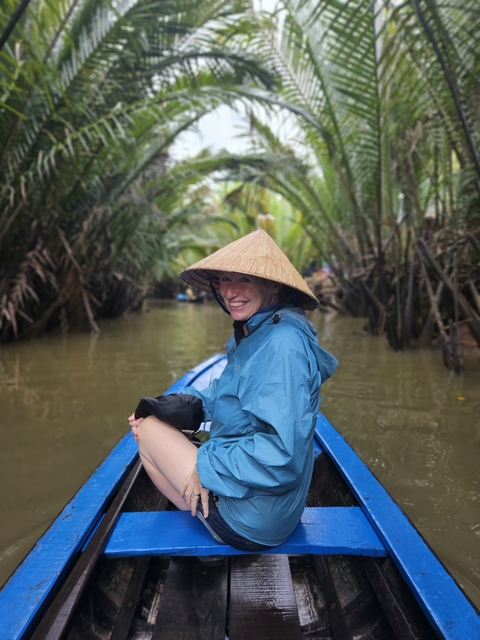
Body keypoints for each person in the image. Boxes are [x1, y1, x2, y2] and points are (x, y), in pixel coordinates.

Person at [128, 229, 338, 551]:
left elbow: (283, 456)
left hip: (257, 520)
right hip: (270, 509)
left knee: (148, 433)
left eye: (244, 280)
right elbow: (225, 393)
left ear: (274, 286)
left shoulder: (282, 346)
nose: (229, 291)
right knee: (155, 419)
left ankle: (207, 516)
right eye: (225, 279)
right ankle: (205, 504)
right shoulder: (260, 330)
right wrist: (170, 407)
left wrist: (206, 464)